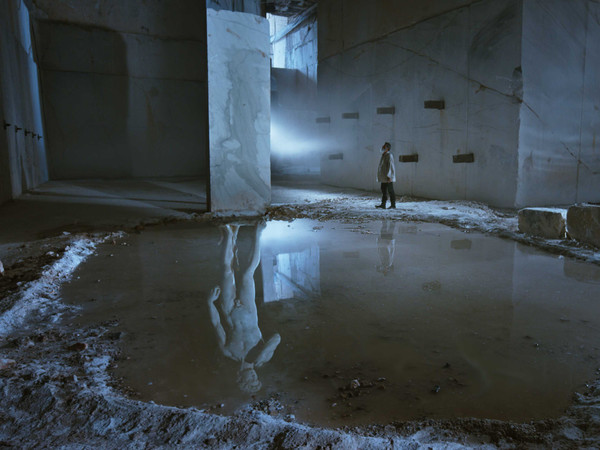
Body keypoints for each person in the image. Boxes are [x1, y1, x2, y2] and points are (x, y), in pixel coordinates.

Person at [207, 222, 281, 394]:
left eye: (251, 381)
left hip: (229, 309)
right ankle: (258, 232)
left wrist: (209, 303)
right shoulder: (263, 359)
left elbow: (217, 325)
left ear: (240, 378)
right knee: (248, 274)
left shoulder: (228, 352)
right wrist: (262, 353)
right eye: (257, 379)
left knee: (227, 271)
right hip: (248, 309)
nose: (255, 377)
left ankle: (228, 232)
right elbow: (277, 337)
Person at [376, 142, 396, 209]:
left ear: (387, 148)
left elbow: (390, 166)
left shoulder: (389, 155)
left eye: (384, 147)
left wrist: (389, 176)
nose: (382, 148)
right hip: (384, 177)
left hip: (388, 177)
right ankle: (383, 204)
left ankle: (393, 205)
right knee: (383, 190)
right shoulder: (383, 155)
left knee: (390, 191)